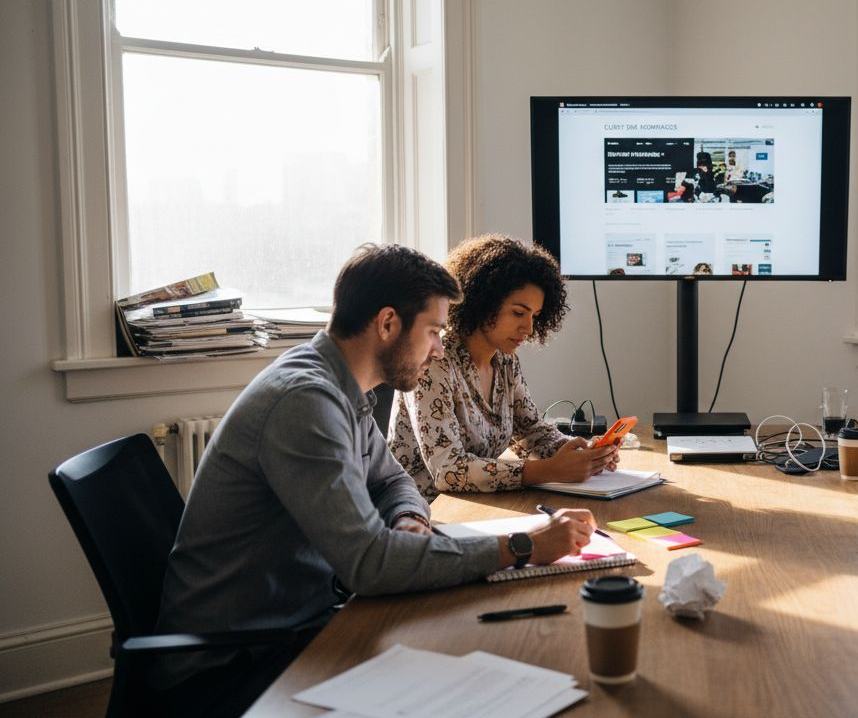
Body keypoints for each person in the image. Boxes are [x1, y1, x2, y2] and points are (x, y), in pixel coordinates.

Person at [153, 244, 596, 718]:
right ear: (387, 324)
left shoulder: (338, 384)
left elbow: (392, 480)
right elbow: (369, 564)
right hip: (237, 665)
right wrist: (522, 547)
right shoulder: (305, 402)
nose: (440, 348)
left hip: (300, 623)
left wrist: (407, 518)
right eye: (432, 331)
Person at [389, 235, 619, 498]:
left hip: (479, 504)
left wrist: (585, 453)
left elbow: (531, 432)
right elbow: (447, 470)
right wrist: (549, 471)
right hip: (424, 513)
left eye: (535, 316)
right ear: (483, 302)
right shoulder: (433, 361)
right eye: (519, 313)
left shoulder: (505, 360)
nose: (529, 328)